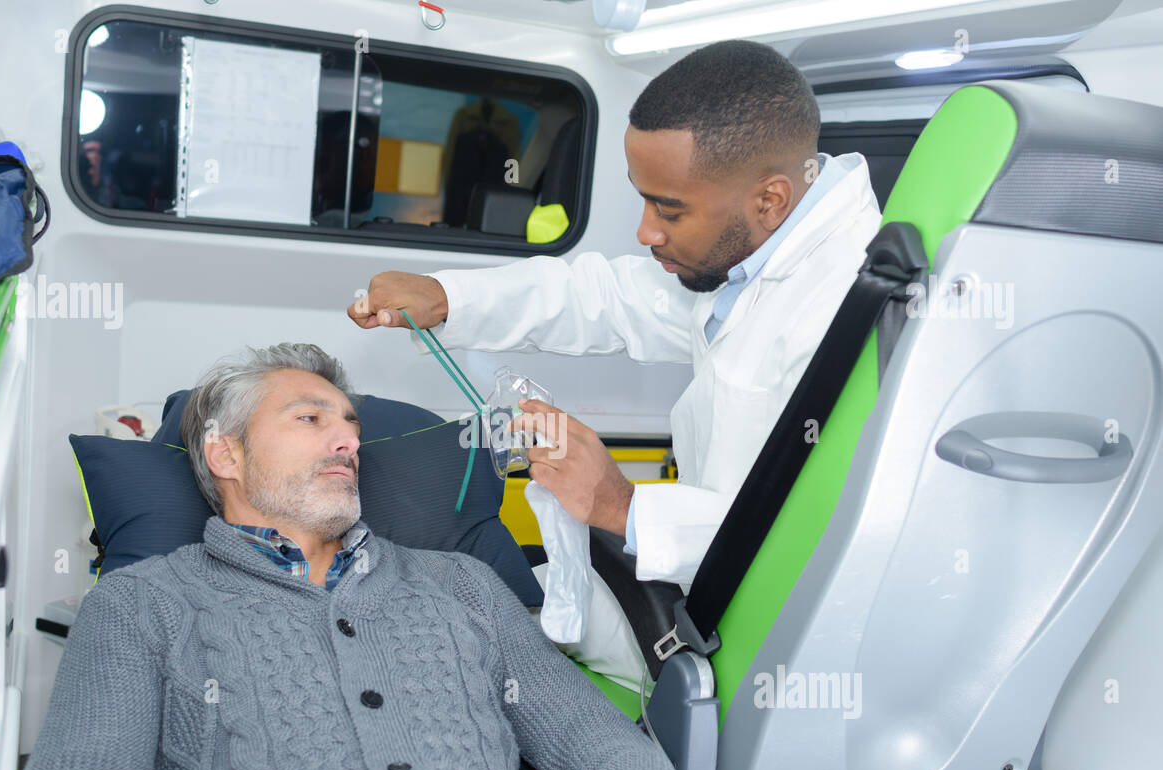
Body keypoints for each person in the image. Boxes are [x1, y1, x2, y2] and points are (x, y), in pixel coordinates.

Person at [12, 343, 690, 770]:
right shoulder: (140, 606)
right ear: (225, 453)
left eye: (350, 425)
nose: (347, 440)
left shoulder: (464, 586)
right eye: (310, 419)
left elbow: (603, 748)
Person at [347, 39, 881, 588]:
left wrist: (622, 506)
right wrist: (448, 297)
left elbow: (827, 539)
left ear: (770, 200)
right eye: (644, 200)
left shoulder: (846, 317)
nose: (645, 232)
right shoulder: (751, 260)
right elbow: (610, 298)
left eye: (670, 210)